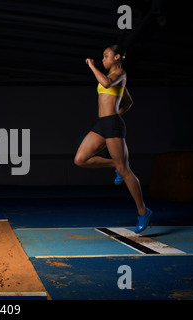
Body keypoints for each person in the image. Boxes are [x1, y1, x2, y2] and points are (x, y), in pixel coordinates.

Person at [74, 45, 152, 233]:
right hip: (102, 124)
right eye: (102, 57)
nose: (103, 59)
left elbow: (107, 83)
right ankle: (113, 164)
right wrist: (116, 113)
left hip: (113, 126)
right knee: (80, 159)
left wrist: (92, 66)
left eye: (106, 56)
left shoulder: (120, 73)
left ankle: (143, 212)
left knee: (125, 170)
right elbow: (129, 101)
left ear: (117, 57)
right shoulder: (116, 79)